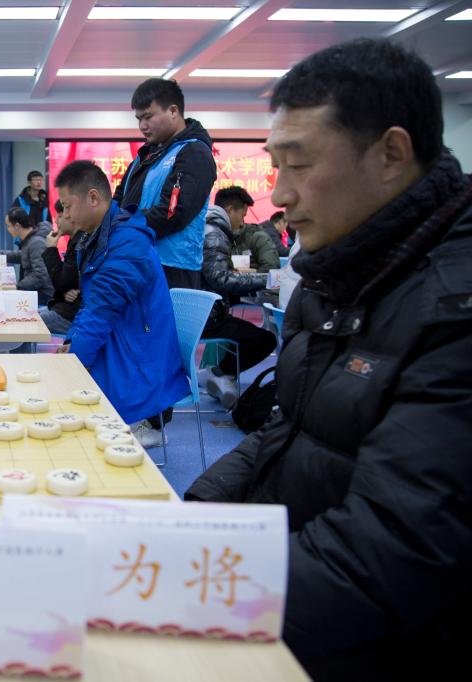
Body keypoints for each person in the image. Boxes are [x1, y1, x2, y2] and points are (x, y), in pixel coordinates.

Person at [185, 38, 472, 680]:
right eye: (274, 166)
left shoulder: (452, 308)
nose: (279, 195)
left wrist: (196, 591)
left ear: (391, 154)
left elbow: (395, 553)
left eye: (298, 165)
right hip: (291, 588)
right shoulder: (338, 271)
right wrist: (195, 515)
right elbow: (287, 431)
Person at [56, 161, 187, 448]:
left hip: (140, 363)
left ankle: (144, 425)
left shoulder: (127, 243)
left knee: (62, 411)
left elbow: (99, 313)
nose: (65, 216)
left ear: (93, 197)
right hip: (125, 343)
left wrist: (72, 364)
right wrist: (71, 342)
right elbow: (91, 305)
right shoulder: (101, 236)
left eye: (67, 206)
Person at [114, 78, 217, 290]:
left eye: (148, 117)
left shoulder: (194, 153)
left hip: (171, 269)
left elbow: (173, 213)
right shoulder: (145, 156)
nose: (142, 126)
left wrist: (123, 225)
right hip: (136, 260)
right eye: (139, 119)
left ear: (173, 111)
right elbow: (119, 200)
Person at [198, 198, 278, 408]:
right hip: (209, 315)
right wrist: (267, 279)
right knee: (265, 339)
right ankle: (223, 373)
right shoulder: (214, 234)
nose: (243, 221)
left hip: (200, 309)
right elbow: (220, 278)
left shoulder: (203, 227)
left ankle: (222, 373)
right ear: (230, 210)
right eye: (242, 214)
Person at [40, 199, 83, 336]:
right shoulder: (75, 240)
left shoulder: (80, 243)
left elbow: (62, 283)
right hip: (64, 307)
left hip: (71, 314)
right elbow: (66, 284)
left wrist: (51, 249)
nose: (57, 221)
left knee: (29, 322)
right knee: (29, 317)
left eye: (59, 216)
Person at [215, 186, 280, 272]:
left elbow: (272, 269)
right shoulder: (212, 237)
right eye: (242, 216)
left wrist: (247, 273)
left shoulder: (256, 236)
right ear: (230, 210)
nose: (242, 222)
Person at [0, 207, 54, 305]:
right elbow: (22, 255)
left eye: (8, 226)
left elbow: (40, 275)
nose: (8, 229)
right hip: (35, 291)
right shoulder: (30, 240)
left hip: (43, 295)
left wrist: (17, 287)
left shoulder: (36, 242)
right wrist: (0, 255)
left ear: (17, 226)